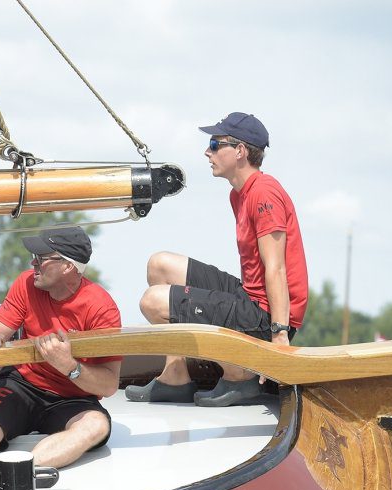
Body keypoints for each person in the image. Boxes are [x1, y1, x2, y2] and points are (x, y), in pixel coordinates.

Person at [127, 112, 308, 407]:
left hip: (267, 315)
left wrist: (279, 334)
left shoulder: (264, 194)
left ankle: (241, 378)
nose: (207, 152)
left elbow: (276, 268)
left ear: (240, 151)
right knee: (159, 265)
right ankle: (175, 377)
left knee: (153, 302)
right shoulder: (239, 194)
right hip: (251, 297)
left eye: (215, 143)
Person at [0, 227, 121, 469]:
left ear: (68, 266)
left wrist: (69, 366)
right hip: (22, 387)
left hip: (73, 398)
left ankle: (20, 471)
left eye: (41, 258)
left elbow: (110, 384)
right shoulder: (26, 284)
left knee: (96, 425)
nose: (33, 262)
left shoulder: (101, 308)